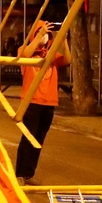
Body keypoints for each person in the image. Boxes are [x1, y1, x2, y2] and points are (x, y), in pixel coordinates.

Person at [14, 21, 71, 185]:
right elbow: (24, 55)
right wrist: (38, 35)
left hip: (49, 102)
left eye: (46, 34)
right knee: (28, 138)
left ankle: (29, 174)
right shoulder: (25, 50)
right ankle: (20, 173)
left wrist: (64, 42)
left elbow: (67, 60)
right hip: (31, 102)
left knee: (39, 139)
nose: (45, 36)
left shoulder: (50, 54)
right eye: (41, 32)